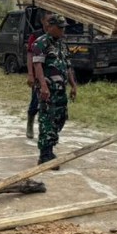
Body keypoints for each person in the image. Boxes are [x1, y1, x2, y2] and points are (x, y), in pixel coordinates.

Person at [31, 14, 77, 165]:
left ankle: (50, 147)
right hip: (48, 90)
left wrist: (73, 85)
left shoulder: (62, 44)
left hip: (60, 89)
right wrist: (43, 86)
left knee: (60, 118)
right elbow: (37, 65)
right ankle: (45, 154)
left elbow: (68, 66)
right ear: (50, 27)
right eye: (60, 28)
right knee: (47, 119)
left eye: (64, 28)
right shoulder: (41, 43)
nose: (63, 31)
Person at [24, 11, 51, 140]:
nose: (50, 23)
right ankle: (30, 122)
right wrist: (30, 74)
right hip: (37, 75)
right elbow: (30, 54)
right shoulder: (35, 36)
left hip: (51, 75)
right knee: (36, 102)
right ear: (42, 21)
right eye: (48, 20)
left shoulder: (55, 36)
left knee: (49, 104)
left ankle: (45, 130)